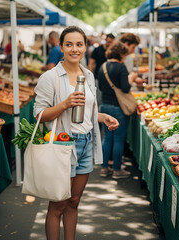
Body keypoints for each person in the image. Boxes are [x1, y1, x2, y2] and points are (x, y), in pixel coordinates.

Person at [33, 26, 119, 239]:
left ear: (85, 47)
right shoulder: (50, 77)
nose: (74, 49)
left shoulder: (88, 75)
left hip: (86, 143)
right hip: (63, 145)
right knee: (58, 205)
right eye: (69, 44)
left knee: (74, 202)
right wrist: (64, 104)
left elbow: (89, 110)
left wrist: (103, 117)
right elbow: (39, 115)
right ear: (61, 46)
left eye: (79, 44)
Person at [98, 41, 137, 179]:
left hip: (104, 106)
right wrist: (131, 78)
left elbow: (101, 88)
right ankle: (116, 170)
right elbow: (126, 88)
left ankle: (104, 168)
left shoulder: (103, 66)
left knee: (107, 138)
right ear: (121, 53)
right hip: (119, 108)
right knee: (119, 139)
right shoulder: (121, 68)